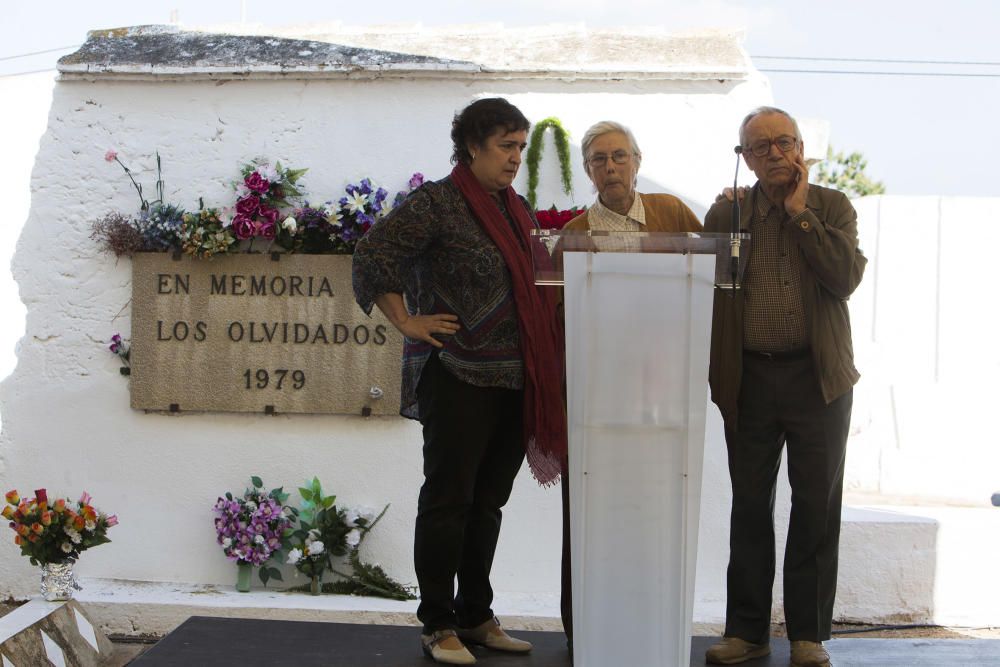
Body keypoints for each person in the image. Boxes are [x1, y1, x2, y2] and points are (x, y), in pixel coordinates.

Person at [352, 97, 566, 666]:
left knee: (488, 502)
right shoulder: (436, 204)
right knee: (448, 500)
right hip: (456, 372)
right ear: (471, 146)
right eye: (505, 146)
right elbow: (374, 253)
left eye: (521, 146)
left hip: (514, 377)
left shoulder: (515, 208)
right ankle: (438, 623)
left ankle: (476, 614)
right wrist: (405, 320)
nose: (515, 157)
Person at [703, 107, 866, 667]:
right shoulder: (726, 212)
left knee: (815, 506)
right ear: (744, 157)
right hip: (748, 377)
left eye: (784, 142)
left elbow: (844, 277)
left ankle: (807, 635)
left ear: (800, 147)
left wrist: (799, 214)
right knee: (749, 505)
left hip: (817, 378)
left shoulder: (831, 205)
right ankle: (746, 632)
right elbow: (703, 287)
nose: (775, 153)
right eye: (761, 146)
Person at [558, 120, 702, 648]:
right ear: (589, 170)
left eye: (619, 156)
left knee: (655, 507)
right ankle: (587, 633)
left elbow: (706, 281)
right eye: (599, 159)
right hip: (598, 397)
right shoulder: (573, 233)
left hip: (666, 395)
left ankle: (652, 624)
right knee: (595, 511)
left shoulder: (673, 215)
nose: (611, 166)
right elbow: (560, 316)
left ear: (637, 162)